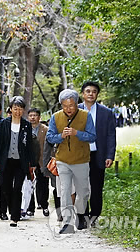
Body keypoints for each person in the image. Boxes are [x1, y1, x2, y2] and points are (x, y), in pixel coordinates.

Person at [46, 89, 96, 234]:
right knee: (65, 191)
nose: (68, 109)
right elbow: (50, 137)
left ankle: (80, 213)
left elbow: (92, 136)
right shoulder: (56, 117)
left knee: (84, 192)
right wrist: (61, 136)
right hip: (63, 161)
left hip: (81, 160)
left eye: (71, 105)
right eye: (65, 106)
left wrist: (77, 133)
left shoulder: (86, 116)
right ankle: (68, 223)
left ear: (77, 104)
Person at [0, 96, 36, 227]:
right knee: (5, 187)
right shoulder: (4, 123)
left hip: (20, 162)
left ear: (23, 110)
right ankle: (13, 209)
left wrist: (32, 163)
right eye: (15, 109)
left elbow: (29, 145)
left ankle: (15, 217)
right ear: (10, 109)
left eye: (20, 109)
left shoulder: (26, 125)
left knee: (17, 188)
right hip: (6, 161)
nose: (17, 111)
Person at [79, 82, 116, 226]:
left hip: (98, 154)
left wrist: (110, 155)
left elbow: (111, 135)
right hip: (80, 155)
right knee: (81, 187)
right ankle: (82, 216)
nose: (90, 94)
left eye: (94, 91)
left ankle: (93, 216)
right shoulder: (75, 110)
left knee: (96, 187)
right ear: (83, 94)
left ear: (97, 94)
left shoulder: (106, 112)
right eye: (87, 91)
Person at [26, 108, 50, 217]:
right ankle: (30, 208)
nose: (32, 117)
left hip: (42, 161)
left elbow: (49, 145)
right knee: (28, 185)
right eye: (30, 115)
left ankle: (44, 205)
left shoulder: (45, 129)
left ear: (39, 117)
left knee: (43, 184)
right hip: (28, 161)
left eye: (35, 115)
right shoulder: (24, 128)